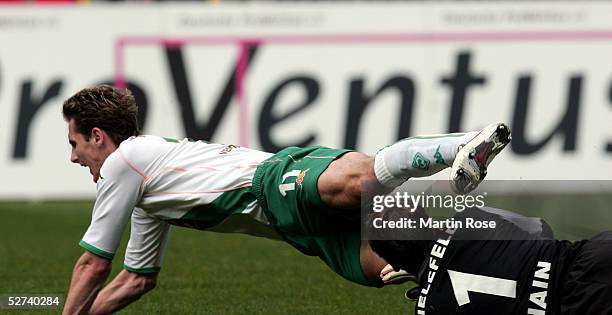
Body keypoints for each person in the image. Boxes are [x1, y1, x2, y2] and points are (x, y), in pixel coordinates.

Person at [61, 84, 511, 314]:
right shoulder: (145, 189)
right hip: (296, 230)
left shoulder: (125, 162)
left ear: (98, 136)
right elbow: (136, 279)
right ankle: (514, 260)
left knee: (357, 182)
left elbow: (93, 265)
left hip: (274, 180)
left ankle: (462, 145)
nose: (74, 157)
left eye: (75, 144)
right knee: (399, 262)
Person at [368, 205, 612, 314]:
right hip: (592, 261)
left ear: (394, 262)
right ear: (429, 224)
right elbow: (541, 230)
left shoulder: (428, 308)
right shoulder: (468, 220)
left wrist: (424, 277)